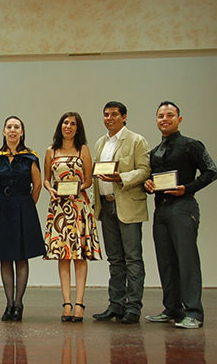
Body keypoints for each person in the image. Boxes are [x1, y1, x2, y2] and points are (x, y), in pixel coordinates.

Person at [144, 101, 216, 329]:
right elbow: (153, 179)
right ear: (156, 120)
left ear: (179, 119)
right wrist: (148, 184)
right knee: (166, 261)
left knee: (187, 260)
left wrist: (188, 188)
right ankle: (172, 308)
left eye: (170, 115)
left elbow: (211, 170)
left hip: (183, 207)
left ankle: (193, 312)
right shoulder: (155, 152)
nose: (164, 119)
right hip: (161, 210)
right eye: (160, 116)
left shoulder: (191, 145)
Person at [0, 116, 45, 321]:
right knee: (5, 257)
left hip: (24, 206)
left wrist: (25, 205)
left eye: (17, 127)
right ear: (3, 131)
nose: (13, 130)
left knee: (21, 257)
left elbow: (38, 186)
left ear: (22, 132)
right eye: (9, 127)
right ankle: (8, 304)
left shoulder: (31, 157)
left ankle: (18, 304)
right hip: (2, 207)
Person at [91, 101, 150, 324]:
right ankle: (116, 305)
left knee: (133, 258)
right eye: (106, 115)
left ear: (124, 117)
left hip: (127, 205)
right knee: (115, 259)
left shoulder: (136, 140)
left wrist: (121, 178)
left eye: (114, 114)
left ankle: (133, 307)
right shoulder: (100, 143)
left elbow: (145, 170)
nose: (109, 118)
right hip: (106, 206)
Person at [43, 112, 102, 323]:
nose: (68, 126)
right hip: (59, 208)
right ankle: (66, 303)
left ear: (78, 128)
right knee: (63, 256)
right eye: (65, 123)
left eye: (73, 123)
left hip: (78, 207)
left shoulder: (83, 150)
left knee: (79, 256)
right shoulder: (51, 151)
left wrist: (76, 189)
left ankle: (79, 303)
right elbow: (46, 180)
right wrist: (50, 190)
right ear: (60, 126)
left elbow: (88, 179)